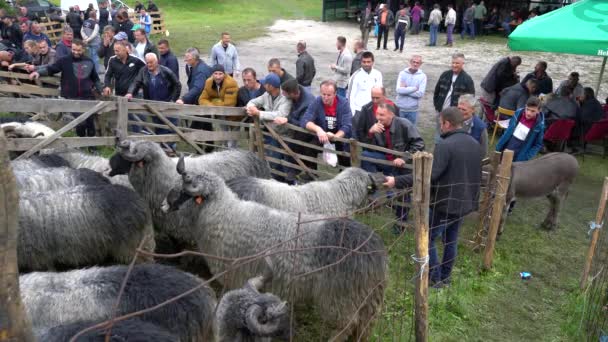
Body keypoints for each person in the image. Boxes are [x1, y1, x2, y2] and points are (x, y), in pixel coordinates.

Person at [384, 106, 482, 288]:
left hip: (444, 204)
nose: (440, 127)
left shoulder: (445, 145)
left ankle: (435, 277)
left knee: (427, 239)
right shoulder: (474, 144)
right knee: (451, 240)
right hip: (465, 202)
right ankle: (445, 277)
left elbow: (429, 175)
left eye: (441, 124)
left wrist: (396, 181)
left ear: (447, 123)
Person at [29, 40, 103, 138]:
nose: (76, 52)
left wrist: (101, 89)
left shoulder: (89, 61)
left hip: (87, 96)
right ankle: (81, 141)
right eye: (74, 50)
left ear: (83, 49)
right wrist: (38, 72)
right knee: (81, 121)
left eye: (79, 50)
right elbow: (51, 69)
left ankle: (91, 146)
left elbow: (95, 78)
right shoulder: (64, 60)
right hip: (71, 97)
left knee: (90, 121)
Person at [126, 53, 181, 143]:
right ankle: (163, 148)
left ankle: (171, 148)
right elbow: (136, 82)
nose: (149, 65)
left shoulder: (166, 71)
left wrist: (172, 100)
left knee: (171, 127)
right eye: (147, 63)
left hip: (167, 105)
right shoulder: (143, 71)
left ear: (157, 61)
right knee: (158, 127)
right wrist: (130, 93)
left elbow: (177, 85)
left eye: (151, 62)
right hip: (153, 105)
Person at [246, 73, 292, 177]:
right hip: (271, 132)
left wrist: (258, 113)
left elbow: (280, 114)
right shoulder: (267, 95)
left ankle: (287, 181)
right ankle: (275, 178)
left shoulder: (285, 98)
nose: (263, 85)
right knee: (272, 159)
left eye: (265, 84)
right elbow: (253, 101)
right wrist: (250, 108)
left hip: (283, 134)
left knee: (283, 161)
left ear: (270, 86)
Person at [301, 79, 352, 167]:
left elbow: (347, 126)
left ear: (335, 94)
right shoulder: (317, 101)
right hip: (322, 135)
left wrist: (335, 137)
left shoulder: (344, 104)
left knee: (345, 155)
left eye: (329, 95)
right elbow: (305, 120)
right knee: (309, 148)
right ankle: (311, 174)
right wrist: (318, 130)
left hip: (339, 136)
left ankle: (344, 174)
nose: (325, 97)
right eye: (323, 94)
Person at [102, 40, 145, 132]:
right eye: (114, 50)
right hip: (120, 94)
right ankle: (125, 138)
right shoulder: (112, 60)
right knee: (123, 117)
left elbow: (145, 71)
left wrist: (142, 85)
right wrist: (107, 86)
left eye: (118, 50)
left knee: (137, 116)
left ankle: (141, 135)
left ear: (125, 49)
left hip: (135, 94)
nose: (116, 53)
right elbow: (108, 75)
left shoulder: (136, 60)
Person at [279, 79, 316, 182]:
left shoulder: (307, 103)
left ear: (293, 94)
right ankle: (294, 172)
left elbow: (302, 123)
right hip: (297, 128)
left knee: (291, 145)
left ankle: (294, 172)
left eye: (285, 93)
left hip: (309, 132)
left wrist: (288, 119)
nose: (282, 94)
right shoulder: (296, 90)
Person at [434, 53, 475, 142]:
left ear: (462, 64)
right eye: (453, 63)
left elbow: (470, 99)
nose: (454, 65)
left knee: (451, 137)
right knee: (438, 135)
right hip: (441, 111)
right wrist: (437, 105)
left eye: (457, 63)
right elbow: (436, 91)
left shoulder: (467, 79)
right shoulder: (445, 75)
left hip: (455, 115)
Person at [199, 65, 239, 148]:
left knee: (233, 137)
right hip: (220, 113)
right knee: (224, 133)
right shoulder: (208, 82)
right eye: (215, 74)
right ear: (212, 74)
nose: (218, 77)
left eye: (220, 74)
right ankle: (225, 148)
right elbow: (202, 99)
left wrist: (213, 100)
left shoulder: (231, 83)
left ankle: (233, 153)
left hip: (234, 115)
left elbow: (228, 105)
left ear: (224, 74)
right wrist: (215, 103)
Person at [496, 96, 545, 162]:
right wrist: (500, 143)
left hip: (519, 155)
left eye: (533, 111)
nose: (529, 113)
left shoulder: (539, 126)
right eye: (527, 109)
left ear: (539, 111)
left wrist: (526, 156)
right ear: (525, 106)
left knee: (511, 171)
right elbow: (508, 130)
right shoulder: (518, 114)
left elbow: (537, 144)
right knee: (499, 166)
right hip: (506, 147)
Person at [348, 51, 383, 116]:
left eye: (368, 62)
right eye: (364, 62)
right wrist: (352, 114)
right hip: (359, 111)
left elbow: (380, 93)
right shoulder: (355, 76)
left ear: (373, 62)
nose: (366, 64)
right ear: (361, 63)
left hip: (373, 111)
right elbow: (350, 96)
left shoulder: (378, 74)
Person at [395, 55, 427, 125]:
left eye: (417, 63)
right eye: (413, 62)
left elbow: (420, 94)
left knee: (411, 132)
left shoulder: (423, 76)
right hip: (400, 108)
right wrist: (414, 88)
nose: (415, 64)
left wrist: (405, 89)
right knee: (399, 131)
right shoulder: (402, 73)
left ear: (420, 64)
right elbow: (398, 90)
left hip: (413, 110)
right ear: (410, 62)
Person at [81, 9, 102, 74]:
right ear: (95, 16)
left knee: (90, 56)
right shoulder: (95, 24)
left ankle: (91, 70)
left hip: (88, 43)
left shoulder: (84, 22)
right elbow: (94, 34)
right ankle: (96, 71)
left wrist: (85, 38)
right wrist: (88, 39)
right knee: (95, 57)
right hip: (95, 42)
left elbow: (81, 31)